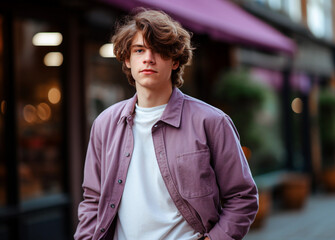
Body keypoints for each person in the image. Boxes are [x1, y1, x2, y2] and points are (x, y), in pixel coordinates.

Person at [74, 9, 258, 240]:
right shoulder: (105, 124)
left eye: (159, 50)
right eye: (139, 50)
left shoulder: (211, 121)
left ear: (175, 61)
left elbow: (242, 196)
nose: (148, 58)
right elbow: (93, 199)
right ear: (128, 60)